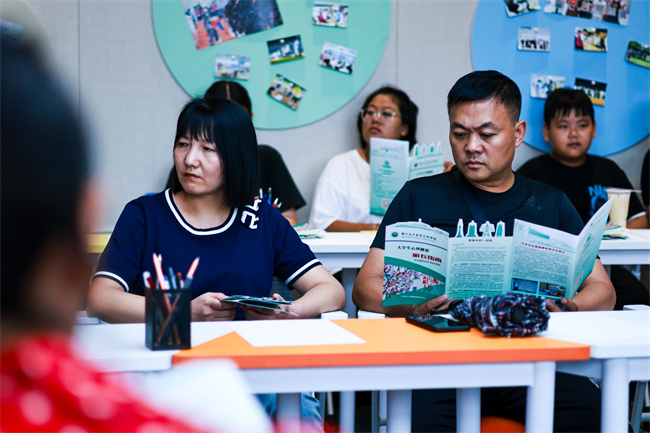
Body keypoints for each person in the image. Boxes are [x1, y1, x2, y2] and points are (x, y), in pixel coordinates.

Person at [352, 70, 615, 432]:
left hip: (534, 358)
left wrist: (571, 307)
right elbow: (365, 285)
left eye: (487, 134)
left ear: (518, 133)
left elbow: (603, 289)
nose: (472, 146)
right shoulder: (419, 195)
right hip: (440, 364)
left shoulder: (550, 203)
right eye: (460, 134)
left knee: (596, 416)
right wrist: (412, 305)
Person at [0, 38, 213, 433]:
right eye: (184, 144)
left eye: (207, 149)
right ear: (86, 213)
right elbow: (101, 298)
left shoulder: (262, 218)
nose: (191, 159)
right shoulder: (145, 214)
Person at [518, 88, 648, 309]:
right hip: (552, 268)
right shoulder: (533, 173)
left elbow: (640, 220)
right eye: (563, 126)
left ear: (594, 129)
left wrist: (612, 233)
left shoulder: (608, 170)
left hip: (603, 267)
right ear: (546, 131)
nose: (573, 134)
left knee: (638, 295)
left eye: (582, 125)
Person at [167, 80, 305, 226]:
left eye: (237, 119)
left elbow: (289, 220)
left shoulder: (267, 158)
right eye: (184, 144)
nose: (190, 160)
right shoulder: (188, 167)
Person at [309, 86, 419, 232]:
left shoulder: (418, 169)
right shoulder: (341, 164)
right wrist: (377, 229)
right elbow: (321, 223)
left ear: (404, 128)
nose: (375, 119)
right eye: (370, 112)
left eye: (386, 114)